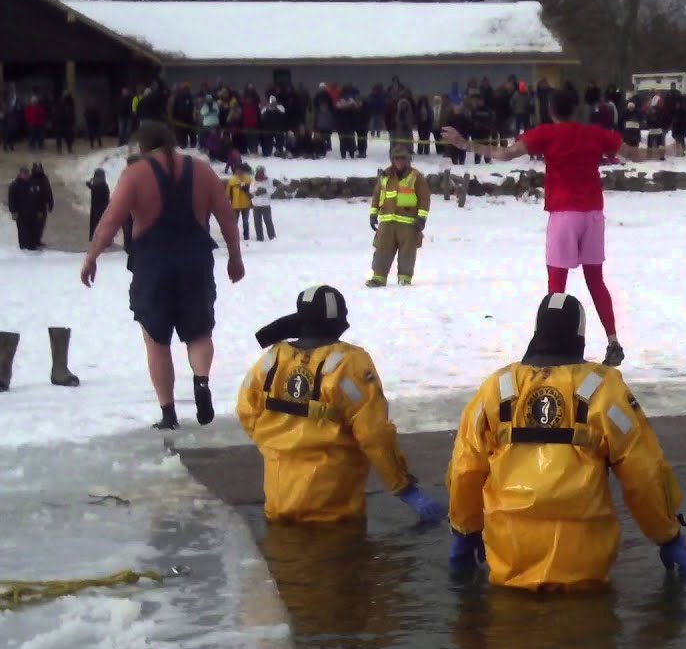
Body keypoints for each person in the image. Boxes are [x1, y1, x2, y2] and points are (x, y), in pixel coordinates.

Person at [445, 292, 686, 590]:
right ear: (581, 336)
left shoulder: (496, 389)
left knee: (508, 632)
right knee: (584, 631)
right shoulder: (605, 391)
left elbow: (465, 468)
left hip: (510, 557)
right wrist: (668, 534)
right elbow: (644, 472)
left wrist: (464, 531)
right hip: (583, 564)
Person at [442, 89, 679, 367]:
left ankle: (550, 344)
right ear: (575, 110)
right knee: (596, 281)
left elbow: (504, 154)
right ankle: (613, 340)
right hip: (592, 213)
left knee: (557, 285)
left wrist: (464, 144)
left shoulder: (546, 134)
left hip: (564, 213)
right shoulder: (593, 133)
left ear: (552, 110)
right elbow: (632, 153)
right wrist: (665, 151)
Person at [80, 121, 245, 430]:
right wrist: (235, 258)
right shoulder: (202, 171)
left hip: (152, 263)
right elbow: (226, 216)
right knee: (199, 333)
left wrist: (92, 257)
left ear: (143, 147)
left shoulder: (136, 174)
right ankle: (201, 381)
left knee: (157, 340)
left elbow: (110, 219)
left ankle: (168, 414)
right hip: (195, 259)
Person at [237, 285, 446, 525]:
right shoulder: (350, 364)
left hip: (278, 498)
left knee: (285, 557)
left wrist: (278, 447)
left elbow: (247, 411)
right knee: (340, 558)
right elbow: (374, 433)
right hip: (332, 505)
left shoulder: (272, 360)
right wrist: (403, 486)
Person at [367, 144, 430, 287]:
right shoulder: (385, 176)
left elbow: (424, 199)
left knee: (407, 253)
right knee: (382, 250)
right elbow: (377, 195)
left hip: (408, 224)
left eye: (402, 158)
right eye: (396, 158)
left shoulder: (416, 177)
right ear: (392, 160)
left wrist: (421, 218)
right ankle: (378, 278)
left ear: (408, 159)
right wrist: (373, 214)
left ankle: (405, 279)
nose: (399, 161)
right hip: (387, 223)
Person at [8, 166, 42, 251]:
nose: (26, 176)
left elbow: (38, 198)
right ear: (20, 174)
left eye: (27, 174)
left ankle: (33, 247)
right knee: (23, 232)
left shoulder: (33, 184)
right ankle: (24, 248)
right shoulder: (14, 185)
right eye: (24, 174)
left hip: (32, 212)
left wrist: (40, 210)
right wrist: (13, 211)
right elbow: (11, 199)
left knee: (33, 230)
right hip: (21, 213)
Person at [227, 162, 254, 241]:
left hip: (246, 204)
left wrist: (245, 188)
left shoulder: (248, 179)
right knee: (234, 222)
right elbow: (228, 193)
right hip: (235, 204)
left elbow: (252, 192)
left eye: (240, 170)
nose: (238, 171)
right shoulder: (232, 180)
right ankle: (234, 236)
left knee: (245, 222)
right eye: (237, 170)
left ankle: (246, 236)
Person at [87, 168, 110, 240]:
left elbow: (96, 190)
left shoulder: (98, 185)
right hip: (103, 208)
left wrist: (90, 185)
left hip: (96, 208)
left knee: (96, 225)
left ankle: (96, 239)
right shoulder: (104, 185)